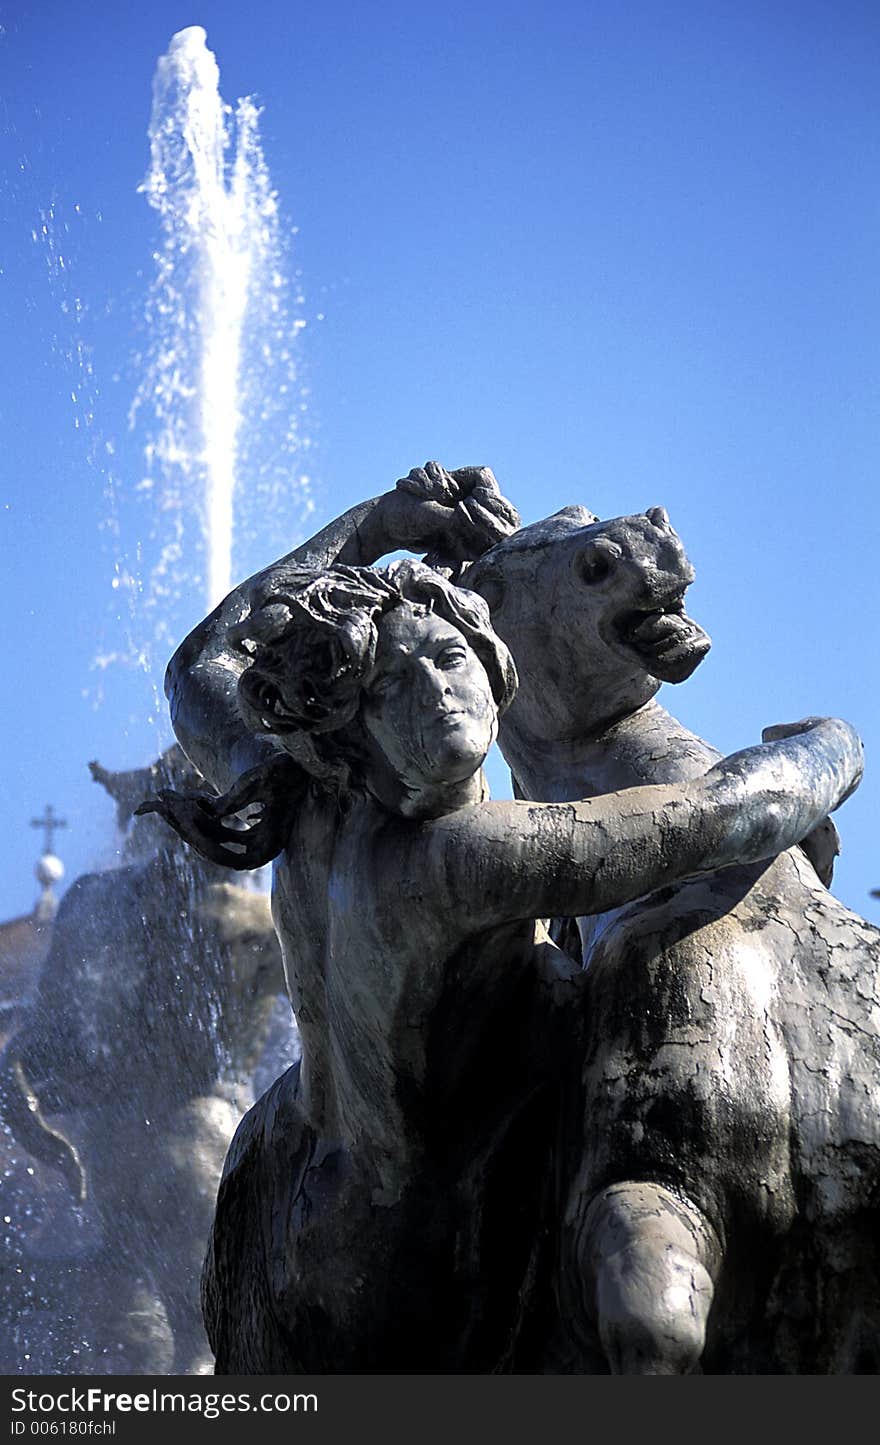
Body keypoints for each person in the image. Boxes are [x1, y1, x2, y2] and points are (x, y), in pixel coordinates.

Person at [142, 506, 863, 1370]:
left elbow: (198, 668)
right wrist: (836, 747)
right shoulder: (464, 855)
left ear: (494, 665)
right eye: (394, 686)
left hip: (310, 1214)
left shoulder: (301, 791)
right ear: (358, 718)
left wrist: (380, 521)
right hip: (426, 1264)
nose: (436, 693)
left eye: (448, 660)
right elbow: (728, 815)